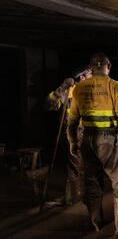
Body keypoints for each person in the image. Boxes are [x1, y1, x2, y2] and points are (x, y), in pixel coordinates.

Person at [66, 52, 118, 235]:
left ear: (91, 67)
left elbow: (71, 122)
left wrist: (72, 142)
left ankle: (96, 224)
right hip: (109, 141)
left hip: (87, 140)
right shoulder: (115, 86)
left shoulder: (79, 88)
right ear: (108, 67)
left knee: (92, 184)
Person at [45, 66, 92, 205]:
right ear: (82, 77)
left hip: (88, 133)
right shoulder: (68, 91)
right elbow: (49, 105)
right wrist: (62, 87)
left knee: (82, 166)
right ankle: (74, 197)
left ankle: (77, 196)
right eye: (90, 73)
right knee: (75, 166)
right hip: (73, 134)